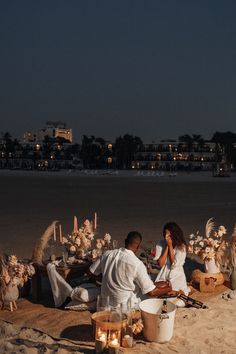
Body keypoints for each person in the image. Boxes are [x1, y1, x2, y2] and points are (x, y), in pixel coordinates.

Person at [89, 231, 171, 308]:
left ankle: (157, 285)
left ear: (125, 241)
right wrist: (169, 289)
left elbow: (91, 272)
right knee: (154, 294)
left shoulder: (107, 254)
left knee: (150, 284)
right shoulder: (137, 264)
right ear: (138, 247)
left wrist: (106, 279)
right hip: (125, 306)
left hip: (106, 303)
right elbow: (151, 293)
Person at [153, 222, 190, 295]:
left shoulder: (181, 247)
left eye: (169, 235)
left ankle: (189, 288)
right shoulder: (161, 243)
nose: (167, 237)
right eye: (165, 235)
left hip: (176, 274)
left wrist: (170, 246)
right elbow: (161, 264)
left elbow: (173, 265)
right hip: (164, 273)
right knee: (159, 292)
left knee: (173, 294)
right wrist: (167, 246)